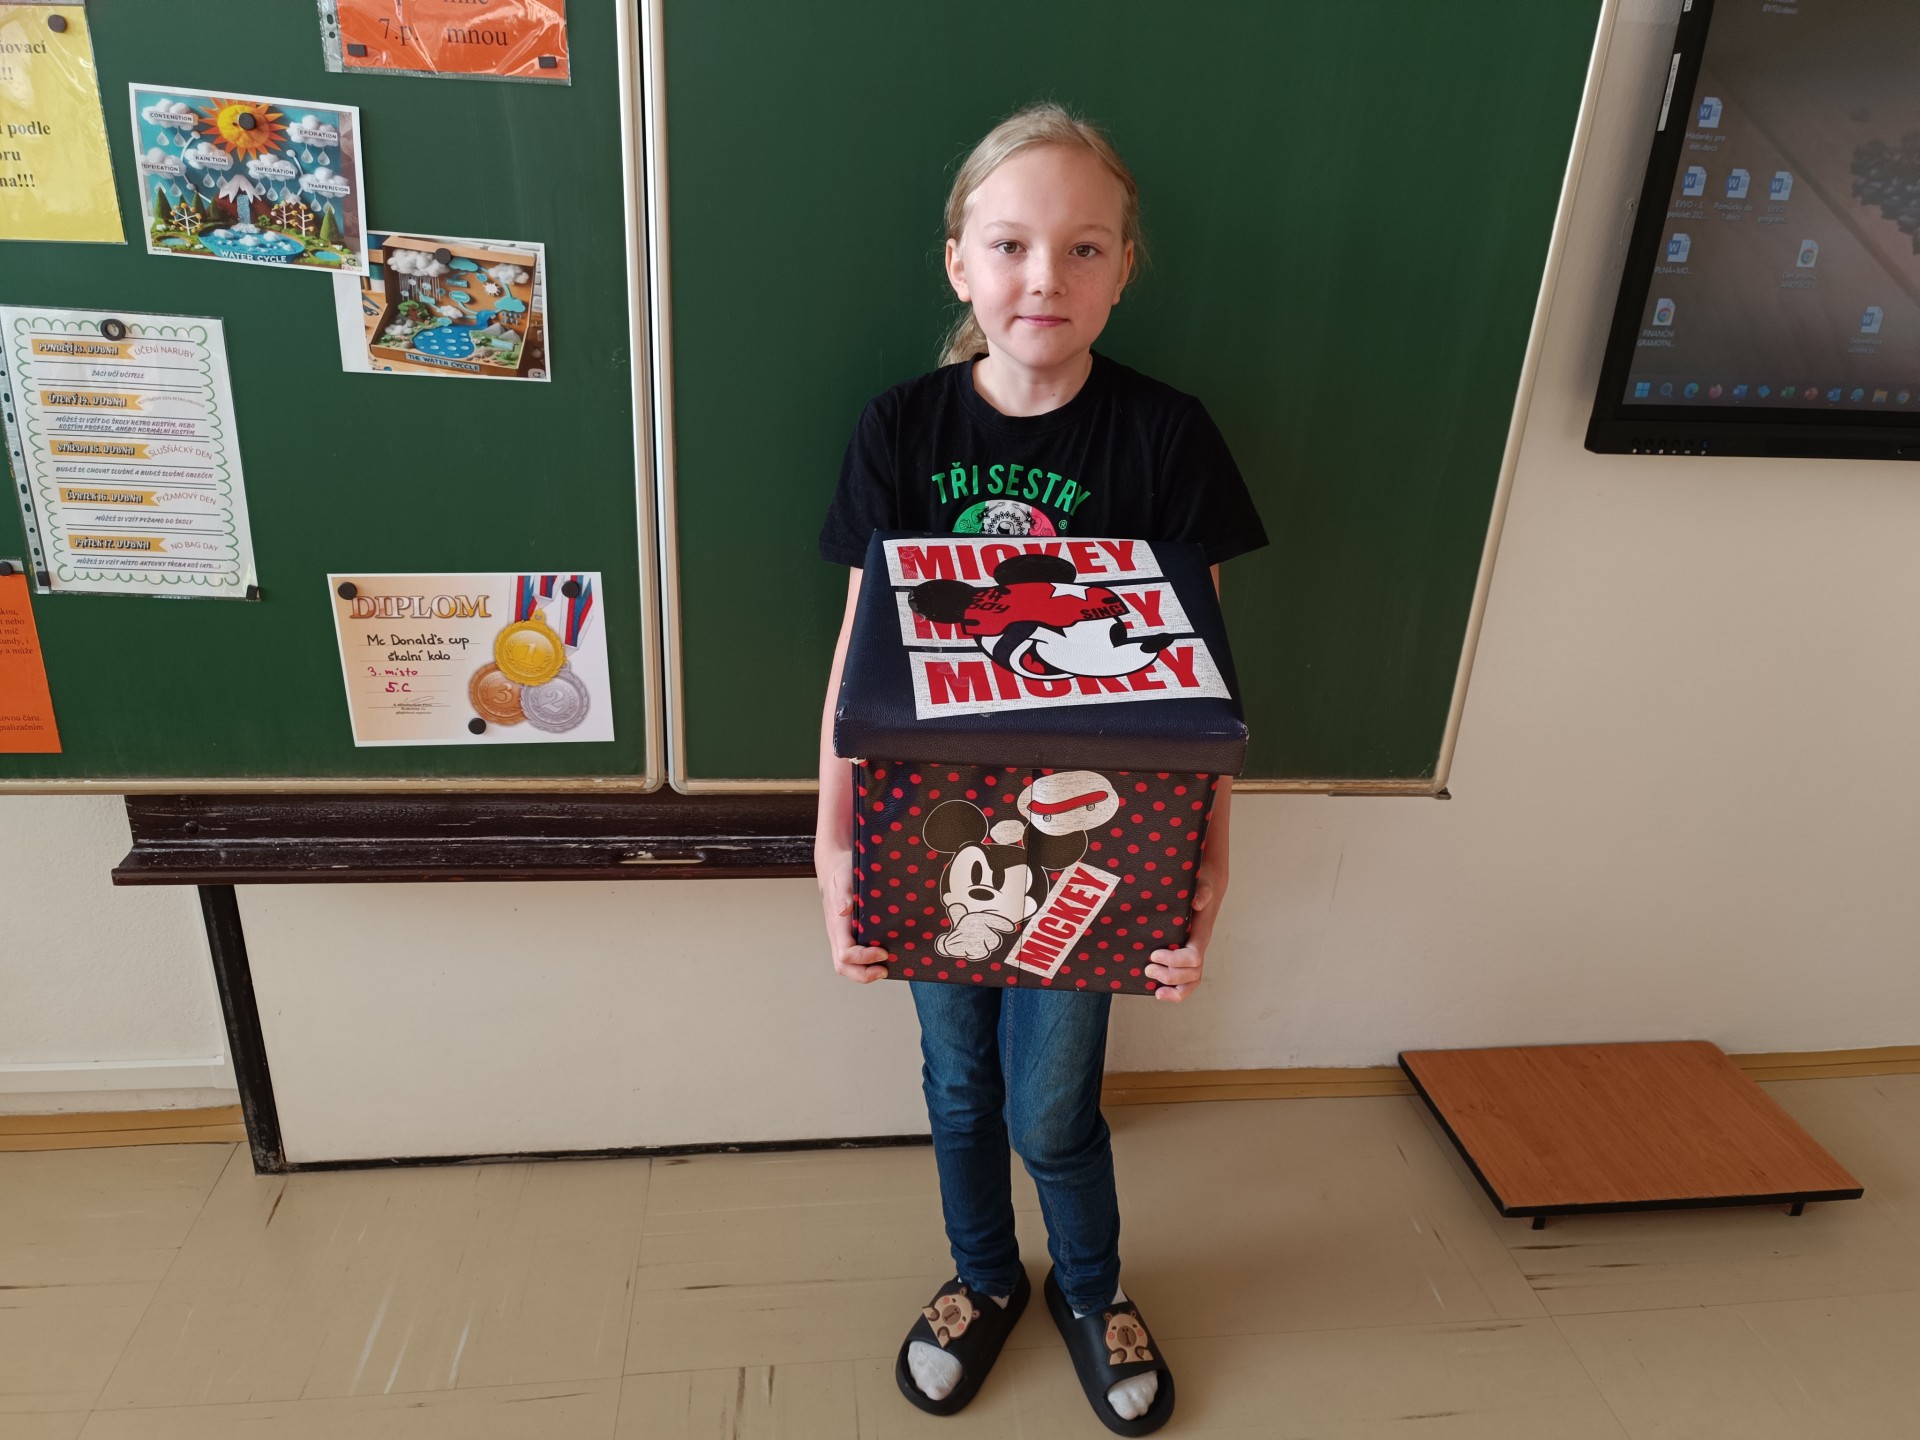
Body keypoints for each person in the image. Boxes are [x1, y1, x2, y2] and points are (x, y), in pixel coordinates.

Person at [814, 102, 1267, 1435]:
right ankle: (982, 1278)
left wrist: (1208, 872)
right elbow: (855, 669)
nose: (1043, 278)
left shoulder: (1167, 436)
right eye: (1010, 244)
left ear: (1125, 268)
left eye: (1083, 248)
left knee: (1054, 1106)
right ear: (959, 261)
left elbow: (1203, 691)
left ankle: (1091, 1286)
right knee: (959, 1086)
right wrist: (830, 848)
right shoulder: (900, 430)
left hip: (1098, 854)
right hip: (927, 838)